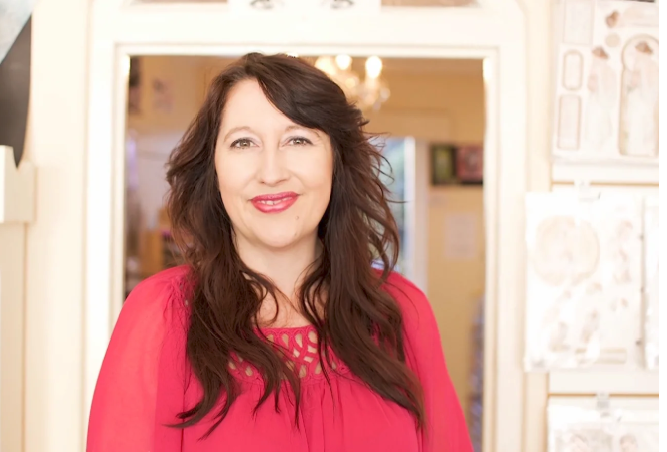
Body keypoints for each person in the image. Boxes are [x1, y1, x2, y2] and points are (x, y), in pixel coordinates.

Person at [87, 53, 471, 452]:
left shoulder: (403, 309)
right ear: (213, 168)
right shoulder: (161, 314)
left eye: (298, 139)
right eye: (244, 142)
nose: (271, 172)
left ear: (335, 162)